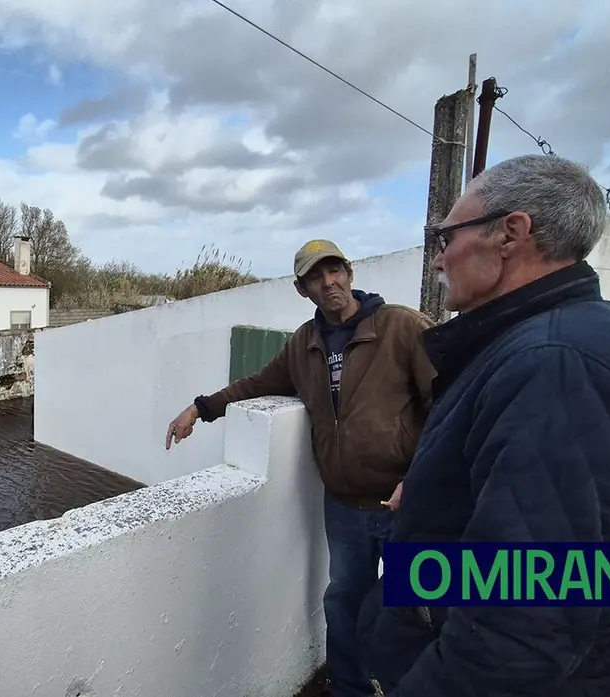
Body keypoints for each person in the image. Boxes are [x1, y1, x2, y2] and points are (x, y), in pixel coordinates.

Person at [359, 154, 610, 697]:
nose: (439, 258)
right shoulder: (569, 338)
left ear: (510, 234)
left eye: (446, 237)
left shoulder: (558, 362)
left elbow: (523, 619)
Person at [165, 240, 436, 697]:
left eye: (334, 270)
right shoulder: (304, 344)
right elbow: (257, 383)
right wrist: (200, 408)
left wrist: (423, 477)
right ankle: (348, 688)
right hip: (345, 506)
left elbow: (450, 400)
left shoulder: (400, 326)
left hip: (404, 501)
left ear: (349, 272)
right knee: (344, 600)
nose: (328, 282)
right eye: (315, 276)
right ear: (302, 289)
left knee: (414, 606)